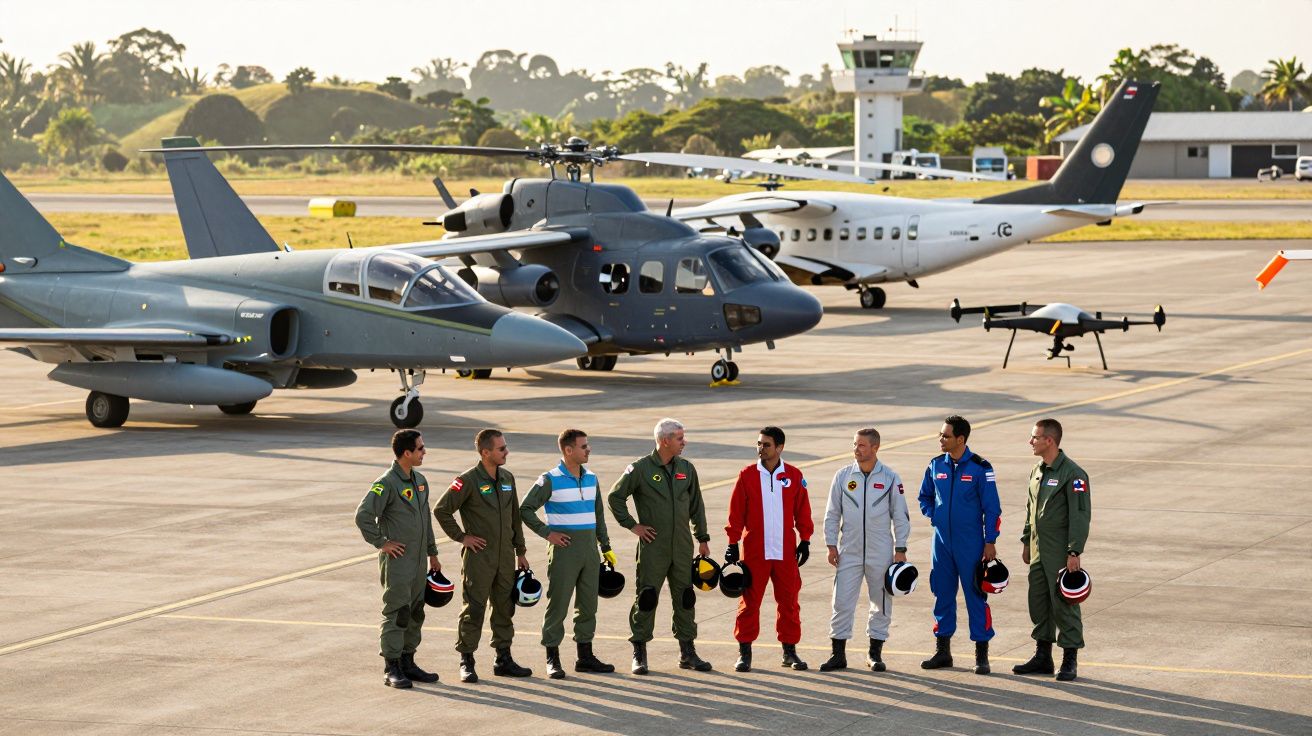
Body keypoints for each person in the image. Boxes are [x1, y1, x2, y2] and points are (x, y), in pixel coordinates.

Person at [608, 417, 713, 674]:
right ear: (664, 441)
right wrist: (633, 525)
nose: (684, 442)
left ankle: (687, 652)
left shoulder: (686, 469)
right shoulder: (640, 469)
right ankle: (639, 651)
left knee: (686, 597)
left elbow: (696, 505)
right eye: (679, 438)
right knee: (647, 597)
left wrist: (703, 538)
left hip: (681, 546)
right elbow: (615, 497)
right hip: (653, 546)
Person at [434, 429, 531, 683]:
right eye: (501, 449)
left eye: (505, 447)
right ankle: (466, 660)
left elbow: (515, 519)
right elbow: (442, 510)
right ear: (485, 452)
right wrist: (462, 537)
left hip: (505, 558)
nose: (506, 451)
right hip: (479, 558)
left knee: (504, 607)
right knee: (474, 608)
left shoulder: (508, 477)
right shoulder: (466, 480)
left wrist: (520, 551)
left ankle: (503, 658)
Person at [519, 429, 618, 679]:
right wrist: (547, 533)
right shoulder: (550, 479)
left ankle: (585, 657)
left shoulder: (592, 478)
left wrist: (605, 547)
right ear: (568, 450)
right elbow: (526, 509)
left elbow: (599, 516)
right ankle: (552, 657)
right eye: (584, 446)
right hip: (564, 551)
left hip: (589, 550)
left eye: (588, 445)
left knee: (588, 605)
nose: (588, 449)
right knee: (559, 604)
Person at [354, 429, 442, 689]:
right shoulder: (386, 483)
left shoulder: (420, 480)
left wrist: (432, 552)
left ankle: (408, 661)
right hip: (399, 562)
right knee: (397, 611)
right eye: (420, 448)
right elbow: (363, 516)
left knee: (416, 611)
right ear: (407, 453)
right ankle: (391, 666)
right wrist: (382, 543)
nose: (424, 451)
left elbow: (425, 518)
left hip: (418, 562)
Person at [820, 427, 911, 673]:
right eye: (854, 444)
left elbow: (900, 516)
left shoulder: (890, 478)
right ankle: (837, 654)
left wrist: (900, 548)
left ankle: (874, 654)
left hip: (881, 551)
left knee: (881, 602)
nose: (856, 450)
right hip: (848, 549)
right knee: (841, 602)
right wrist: (830, 545)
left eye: (861, 445)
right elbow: (832, 514)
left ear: (875, 447)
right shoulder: (842, 476)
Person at [724, 426, 814, 672]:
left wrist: (805, 539)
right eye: (759, 444)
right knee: (749, 602)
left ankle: (789, 651)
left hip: (785, 552)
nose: (760, 448)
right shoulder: (747, 475)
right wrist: (732, 543)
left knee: (789, 602)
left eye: (766, 444)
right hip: (755, 551)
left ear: (780, 448)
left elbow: (802, 510)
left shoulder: (794, 475)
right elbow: (736, 514)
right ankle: (744, 653)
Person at [918, 415, 1002, 675]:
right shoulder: (934, 465)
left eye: (945, 436)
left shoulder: (980, 468)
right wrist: (935, 515)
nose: (940, 440)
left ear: (961, 439)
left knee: (975, 595)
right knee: (942, 594)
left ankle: (981, 654)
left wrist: (990, 541)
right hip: (941, 543)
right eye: (940, 435)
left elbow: (993, 508)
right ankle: (943, 651)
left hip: (972, 543)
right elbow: (925, 496)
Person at [1014, 418, 1090, 682]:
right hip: (1037, 548)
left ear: (1050, 440)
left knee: (1064, 603)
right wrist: (1026, 541)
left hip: (1060, 550)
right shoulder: (1037, 470)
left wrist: (1074, 552)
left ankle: (1070, 658)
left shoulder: (1073, 474)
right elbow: (1030, 510)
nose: (1030, 441)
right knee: (1039, 601)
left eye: (1035, 437)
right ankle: (1043, 655)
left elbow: (1080, 515)